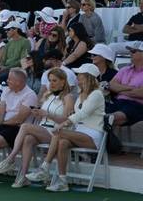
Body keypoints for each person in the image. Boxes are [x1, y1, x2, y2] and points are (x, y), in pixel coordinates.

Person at [25, 64, 107, 192]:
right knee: (62, 142)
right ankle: (63, 182)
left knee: (59, 132)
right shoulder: (81, 94)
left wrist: (63, 124)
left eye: (80, 75)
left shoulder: (96, 94)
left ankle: (45, 167)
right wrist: (67, 120)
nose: (78, 77)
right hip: (79, 132)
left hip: (93, 135)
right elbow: (76, 114)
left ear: (87, 77)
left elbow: (82, 114)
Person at [0, 68, 74, 186]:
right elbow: (42, 116)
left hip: (56, 132)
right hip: (43, 128)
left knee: (24, 126)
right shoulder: (47, 95)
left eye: (54, 81)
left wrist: (48, 114)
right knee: (28, 139)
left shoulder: (68, 97)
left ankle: (11, 158)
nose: (51, 84)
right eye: (50, 81)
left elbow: (66, 120)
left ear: (63, 82)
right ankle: (22, 176)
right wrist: (38, 113)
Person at [106, 42, 143, 129]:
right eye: (130, 51)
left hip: (137, 105)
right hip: (118, 102)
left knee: (115, 116)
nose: (130, 53)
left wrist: (119, 90)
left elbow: (140, 93)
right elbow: (111, 85)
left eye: (133, 51)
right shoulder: (124, 70)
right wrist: (133, 89)